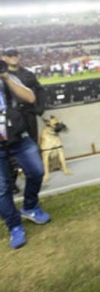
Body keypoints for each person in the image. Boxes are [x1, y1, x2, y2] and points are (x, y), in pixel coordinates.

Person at [0, 67, 50, 249]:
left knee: (37, 171)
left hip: (17, 135)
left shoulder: (8, 77)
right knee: (2, 187)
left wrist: (5, 77)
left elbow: (30, 98)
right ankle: (14, 226)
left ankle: (30, 206)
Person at [2, 47, 47, 188]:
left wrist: (39, 109)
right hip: (10, 118)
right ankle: (12, 182)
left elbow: (39, 91)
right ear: (4, 57)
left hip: (28, 114)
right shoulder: (3, 75)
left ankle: (35, 179)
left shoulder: (28, 74)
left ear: (19, 56)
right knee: (9, 149)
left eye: (15, 54)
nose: (13, 57)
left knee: (32, 145)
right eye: (9, 55)